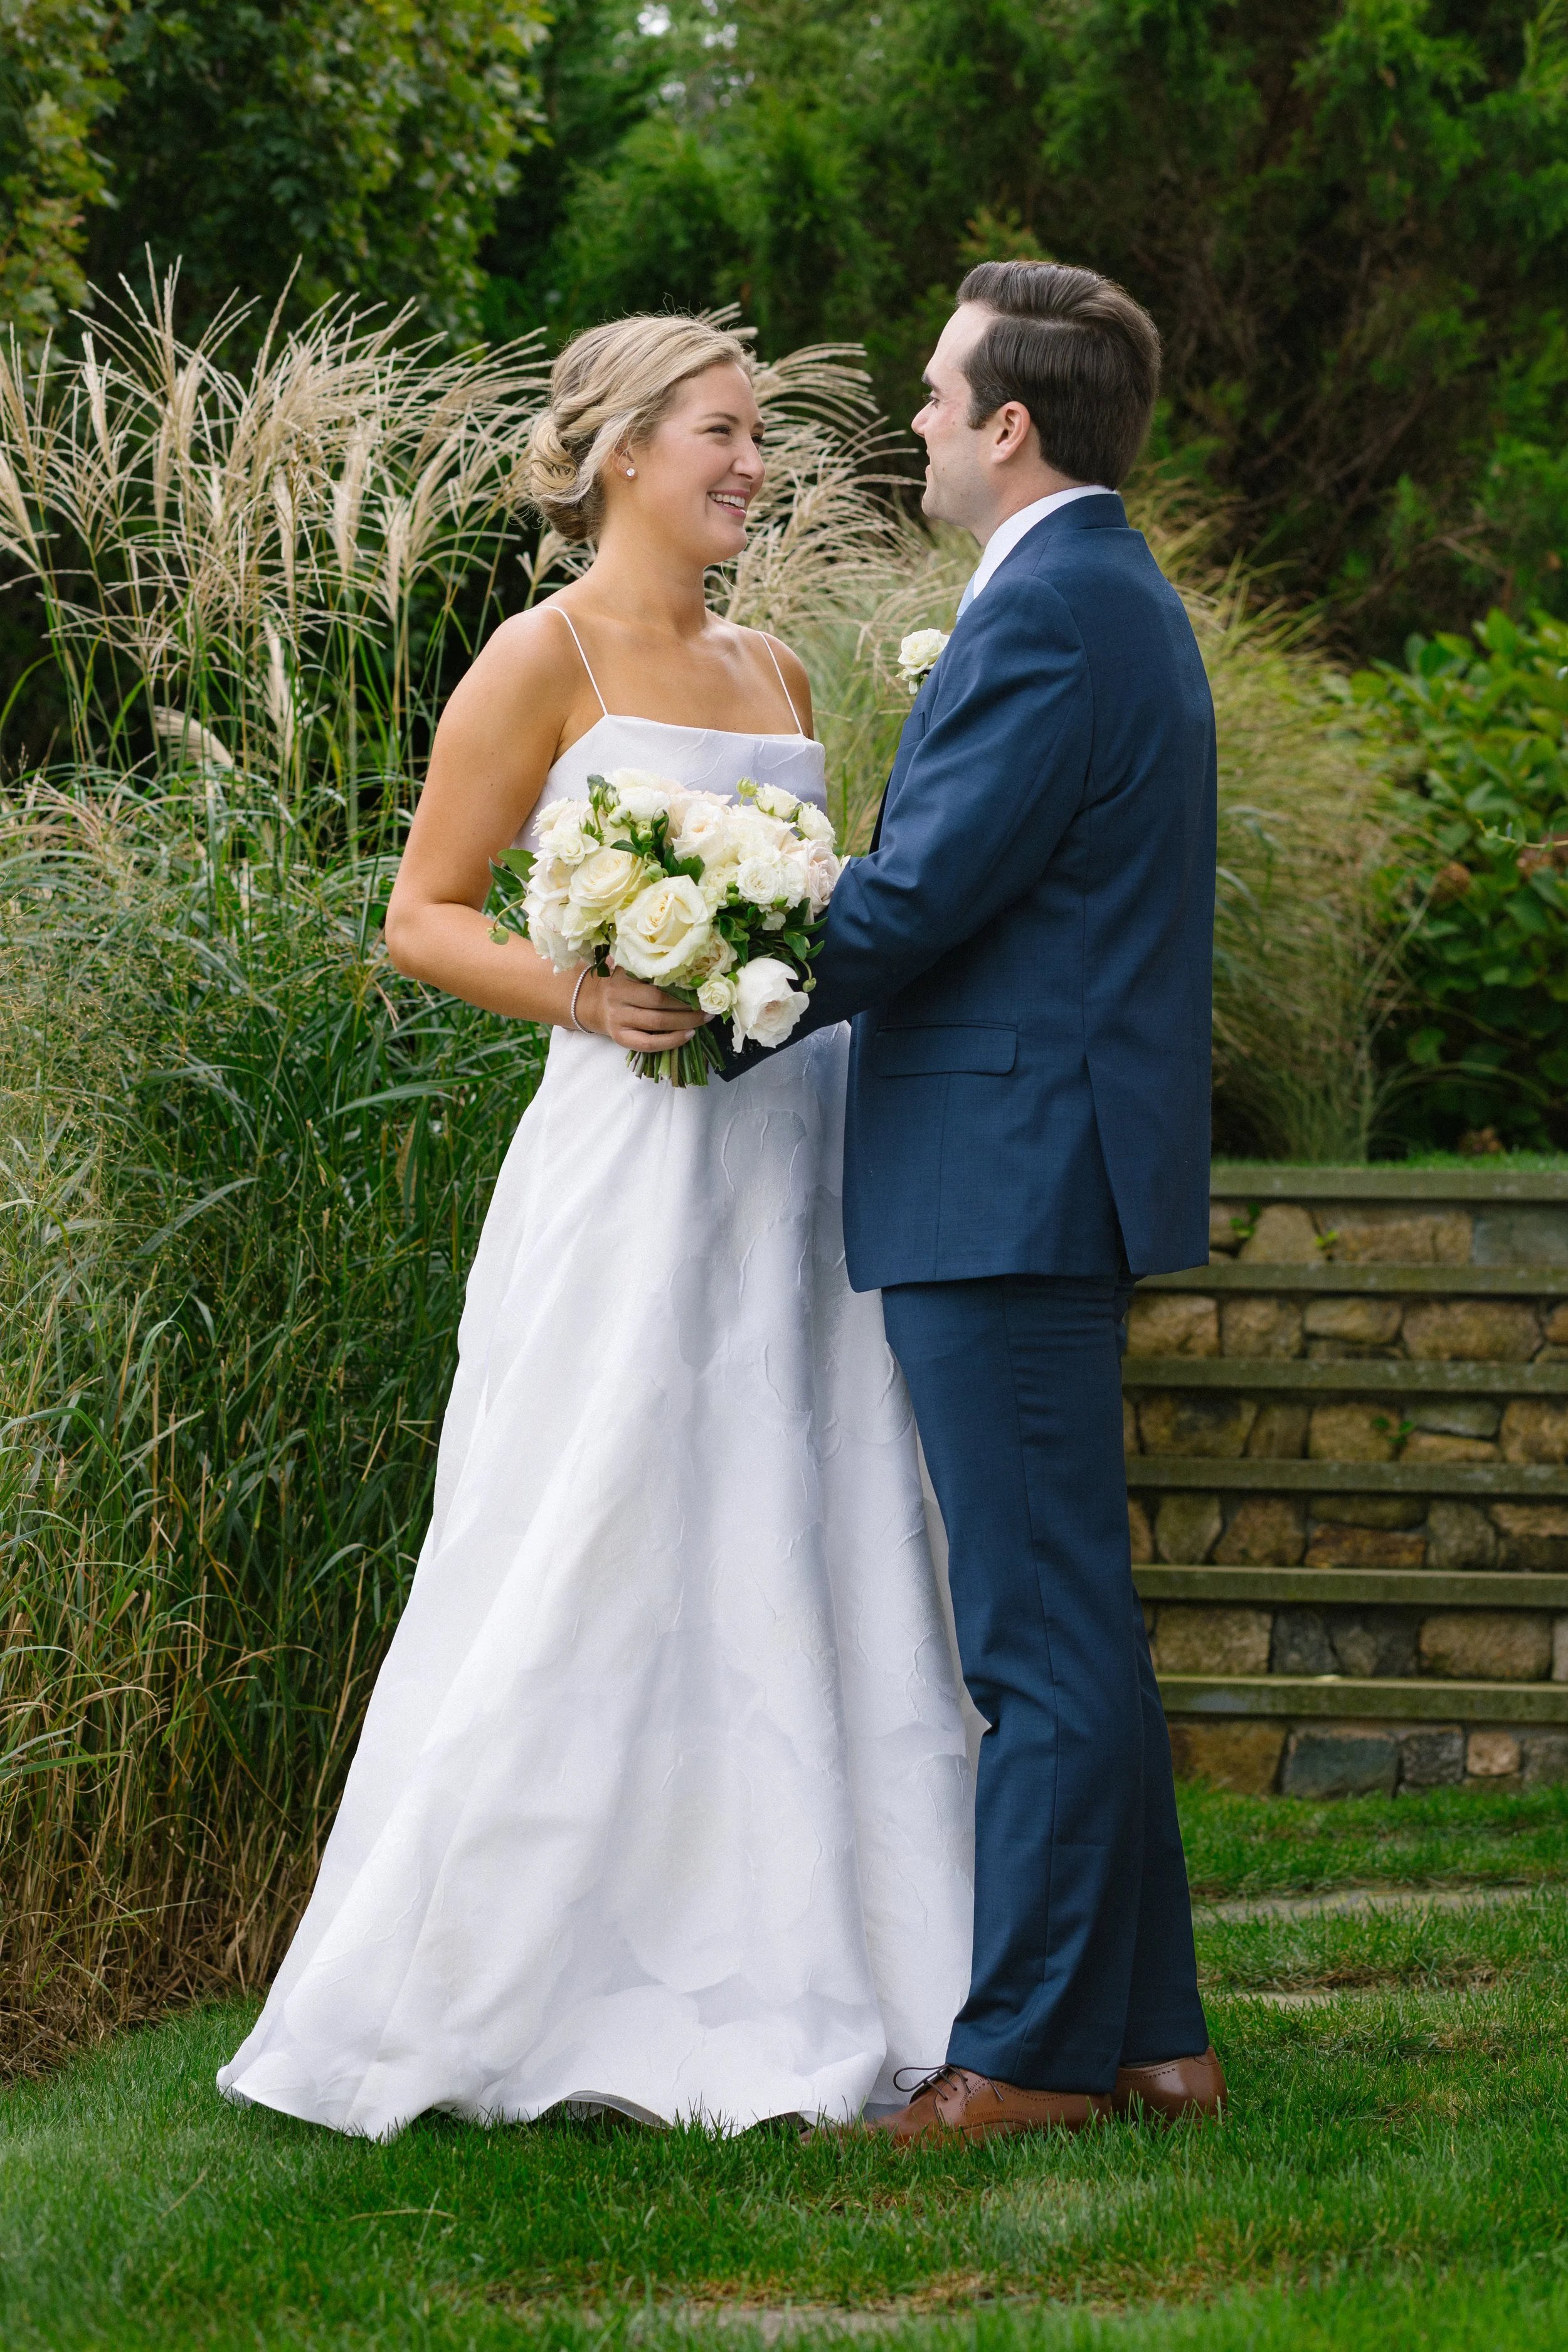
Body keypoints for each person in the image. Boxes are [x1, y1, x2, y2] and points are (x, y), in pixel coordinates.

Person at [216, 314, 974, 2139]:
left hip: (795, 1167)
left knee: (812, 1518)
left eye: (757, 439)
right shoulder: (533, 658)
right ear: (621, 447)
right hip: (628, 1174)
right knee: (596, 1517)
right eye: (722, 431)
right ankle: (505, 1978)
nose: (751, 463)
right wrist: (593, 991)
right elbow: (422, 911)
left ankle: (851, 1966)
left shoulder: (783, 670)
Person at [748, 261, 1226, 2143]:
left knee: (1033, 1638)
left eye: (939, 394)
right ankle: (1151, 2033)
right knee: (1069, 1623)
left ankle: (1024, 2053)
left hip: (1005, 1180)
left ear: (1008, 422)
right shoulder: (1084, 594)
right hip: (1026, 1168)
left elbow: (915, 899)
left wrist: (696, 959)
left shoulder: (1054, 615)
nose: (920, 420)